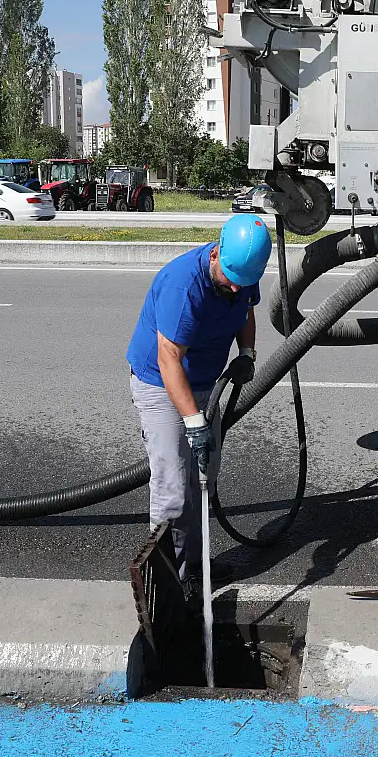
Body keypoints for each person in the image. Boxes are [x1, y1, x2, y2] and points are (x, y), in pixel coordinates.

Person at [125, 214, 273, 583]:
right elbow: (168, 358)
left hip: (206, 384)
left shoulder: (241, 275)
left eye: (245, 283)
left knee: (201, 480)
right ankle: (167, 583)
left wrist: (248, 353)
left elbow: (246, 310)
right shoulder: (183, 285)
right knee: (173, 488)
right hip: (162, 384)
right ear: (215, 255)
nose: (238, 289)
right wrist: (193, 422)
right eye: (231, 281)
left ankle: (194, 569)